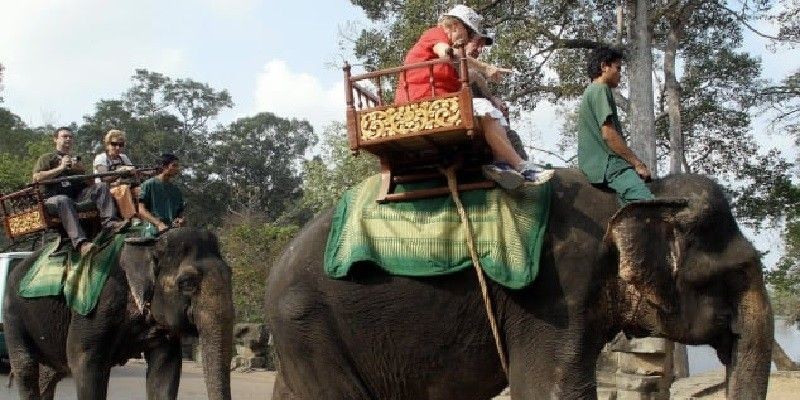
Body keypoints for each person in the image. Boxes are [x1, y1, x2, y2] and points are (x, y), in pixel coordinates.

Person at [394, 4, 552, 189]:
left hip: (437, 102)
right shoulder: (435, 34)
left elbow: (472, 75)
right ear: (455, 26)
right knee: (483, 107)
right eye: (469, 35)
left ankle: (501, 164)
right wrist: (485, 67)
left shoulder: (453, 59)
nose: (469, 40)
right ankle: (520, 165)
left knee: (489, 109)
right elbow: (447, 54)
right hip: (425, 103)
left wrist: (492, 94)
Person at [577, 46, 654, 205]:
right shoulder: (600, 89)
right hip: (608, 164)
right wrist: (637, 164)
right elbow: (609, 135)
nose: (620, 74)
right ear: (604, 66)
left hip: (598, 163)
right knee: (650, 206)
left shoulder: (592, 91)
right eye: (618, 68)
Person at [32, 127, 126, 256]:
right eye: (65, 136)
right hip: (53, 198)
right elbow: (37, 177)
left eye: (70, 137)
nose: (68, 139)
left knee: (102, 186)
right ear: (55, 139)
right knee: (63, 200)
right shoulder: (47, 158)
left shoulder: (75, 159)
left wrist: (81, 171)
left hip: (77, 196)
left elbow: (88, 183)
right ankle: (81, 243)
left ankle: (110, 223)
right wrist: (61, 168)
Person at [93, 129, 137, 219]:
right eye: (114, 144)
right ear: (107, 144)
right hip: (105, 191)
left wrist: (134, 172)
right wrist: (121, 171)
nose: (117, 147)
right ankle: (130, 218)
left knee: (141, 190)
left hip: (123, 186)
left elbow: (133, 171)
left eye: (121, 145)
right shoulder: (101, 158)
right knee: (123, 189)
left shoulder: (123, 158)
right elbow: (104, 178)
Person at [138, 153, 185, 237]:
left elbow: (180, 214)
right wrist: (158, 224)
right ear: (164, 166)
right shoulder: (149, 185)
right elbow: (141, 210)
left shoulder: (176, 191)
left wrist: (181, 221)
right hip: (151, 234)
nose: (177, 169)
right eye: (174, 165)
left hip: (172, 236)